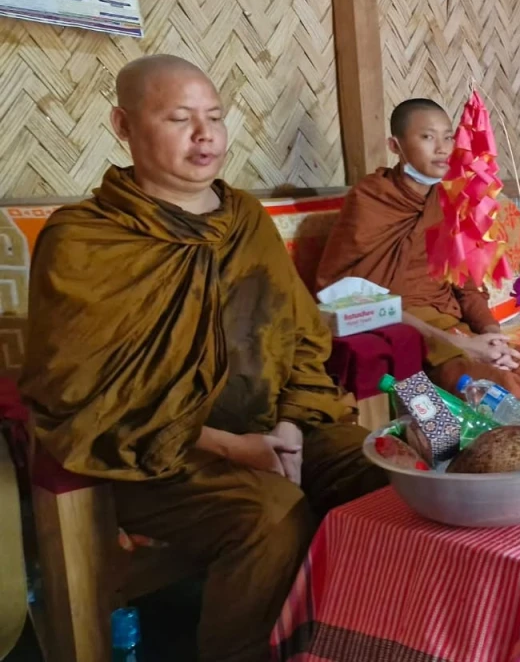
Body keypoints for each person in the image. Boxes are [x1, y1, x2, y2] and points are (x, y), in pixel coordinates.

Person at [19, 54, 386, 662]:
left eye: (214, 117)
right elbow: (82, 388)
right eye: (179, 118)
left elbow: (297, 337)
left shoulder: (244, 218)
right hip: (151, 453)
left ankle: (368, 642)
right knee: (271, 516)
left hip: (275, 425)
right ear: (124, 124)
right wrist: (229, 445)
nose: (204, 135)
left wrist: (290, 426)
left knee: (389, 471)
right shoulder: (85, 237)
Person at [315, 98, 520, 399]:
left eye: (448, 137)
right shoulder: (372, 199)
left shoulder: (452, 202)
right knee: (504, 392)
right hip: (411, 336)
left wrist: (492, 336)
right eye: (427, 137)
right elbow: (350, 294)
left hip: (456, 327)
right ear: (395, 145)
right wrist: (460, 345)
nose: (442, 148)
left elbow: (468, 287)